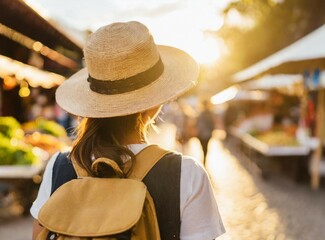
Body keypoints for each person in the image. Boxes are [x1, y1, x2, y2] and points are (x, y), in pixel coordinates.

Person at [30, 21, 225, 240]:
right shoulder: (187, 174)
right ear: (156, 103)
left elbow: (40, 233)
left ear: (91, 103)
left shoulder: (59, 166)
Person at [196, 100, 215, 166]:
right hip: (205, 134)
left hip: (203, 133)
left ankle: (204, 157)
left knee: (204, 146)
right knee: (205, 146)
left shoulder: (203, 114)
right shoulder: (208, 114)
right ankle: (204, 156)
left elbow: (198, 123)